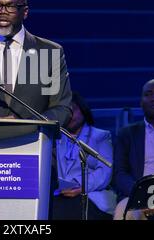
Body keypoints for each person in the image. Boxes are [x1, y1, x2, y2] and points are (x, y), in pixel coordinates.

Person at [52, 92, 116, 220]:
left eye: (73, 110)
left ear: (83, 109)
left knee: (65, 209)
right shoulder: (55, 138)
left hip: (91, 194)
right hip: (61, 195)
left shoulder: (100, 136)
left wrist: (81, 186)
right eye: (66, 111)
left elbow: (104, 172)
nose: (70, 116)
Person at [113, 79, 154, 220]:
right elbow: (120, 173)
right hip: (137, 195)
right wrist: (142, 194)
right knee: (125, 212)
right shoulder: (127, 134)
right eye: (149, 94)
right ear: (141, 103)